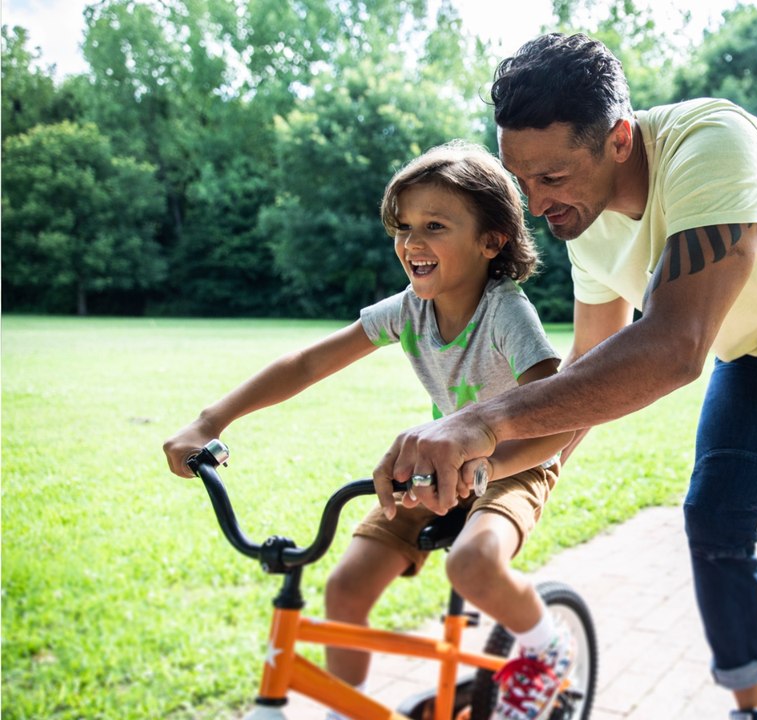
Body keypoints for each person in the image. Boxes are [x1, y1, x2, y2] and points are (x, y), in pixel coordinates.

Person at [372, 34, 757, 720]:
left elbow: (673, 345)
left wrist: (479, 421)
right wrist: (493, 472)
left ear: (618, 139)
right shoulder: (585, 222)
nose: (537, 205)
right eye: (523, 180)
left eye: (552, 177)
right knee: (713, 518)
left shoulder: (714, 143)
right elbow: (585, 375)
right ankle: (752, 707)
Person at [163, 140, 578, 720]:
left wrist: (488, 465)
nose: (411, 243)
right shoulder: (409, 309)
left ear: (491, 241)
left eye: (434, 225)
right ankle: (345, 711)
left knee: (472, 564)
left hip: (514, 464)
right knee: (345, 589)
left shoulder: (505, 311)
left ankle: (546, 645)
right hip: (437, 465)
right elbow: (308, 364)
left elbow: (560, 415)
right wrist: (211, 421)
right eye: (403, 227)